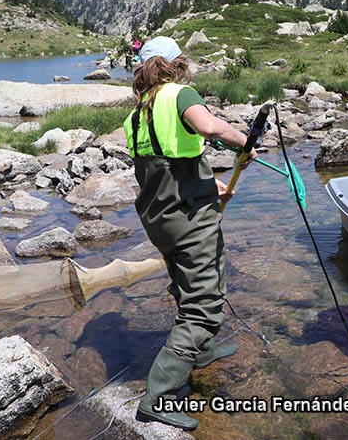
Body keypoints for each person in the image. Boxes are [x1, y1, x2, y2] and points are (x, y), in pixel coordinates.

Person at [123, 36, 257, 431]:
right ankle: (158, 396)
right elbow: (208, 126)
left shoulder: (137, 114)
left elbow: (164, 166)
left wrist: (207, 184)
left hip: (160, 219)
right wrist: (244, 142)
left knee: (193, 280)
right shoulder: (180, 94)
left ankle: (200, 351)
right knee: (203, 303)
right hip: (188, 219)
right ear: (176, 63)